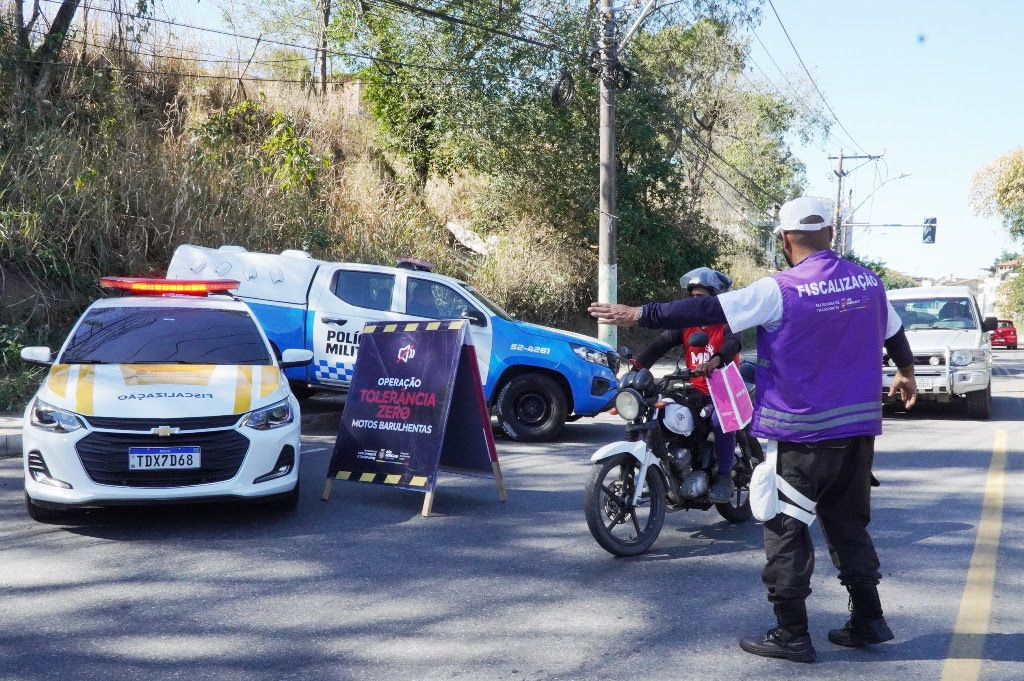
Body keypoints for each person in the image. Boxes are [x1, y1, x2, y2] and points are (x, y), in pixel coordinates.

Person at [589, 196, 918, 664]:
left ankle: (791, 634)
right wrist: (906, 371)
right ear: (831, 231)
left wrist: (639, 314)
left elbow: (707, 312)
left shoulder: (780, 289)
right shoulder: (869, 284)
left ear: (785, 239)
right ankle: (869, 619)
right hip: (858, 432)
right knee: (848, 525)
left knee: (785, 526)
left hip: (801, 434)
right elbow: (894, 332)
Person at [633, 267, 741, 503]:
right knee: (661, 411)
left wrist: (716, 360)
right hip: (693, 390)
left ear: (713, 298)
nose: (695, 302)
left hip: (723, 390)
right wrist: (636, 368)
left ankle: (724, 477)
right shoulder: (686, 324)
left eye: (700, 297)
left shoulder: (727, 321)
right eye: (691, 297)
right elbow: (659, 345)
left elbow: (733, 343)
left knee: (718, 420)